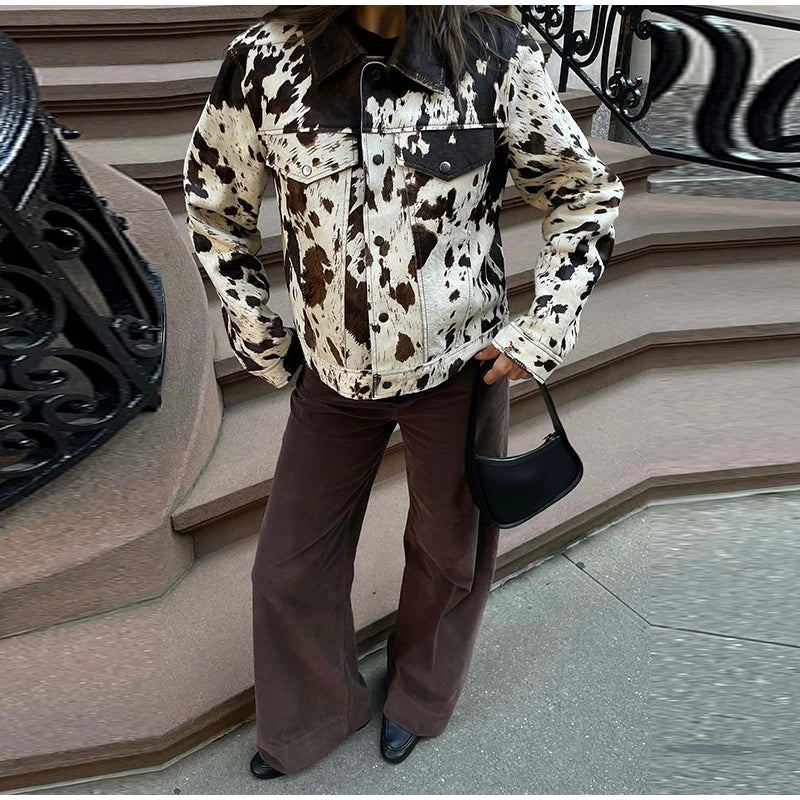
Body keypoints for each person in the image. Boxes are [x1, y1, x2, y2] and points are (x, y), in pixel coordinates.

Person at [183, 4, 624, 779]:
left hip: (459, 368)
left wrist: (541, 329)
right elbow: (216, 209)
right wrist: (260, 334)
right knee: (288, 564)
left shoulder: (494, 51)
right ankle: (314, 713)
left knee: (448, 552)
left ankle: (418, 698)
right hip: (332, 372)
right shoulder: (265, 59)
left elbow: (582, 194)